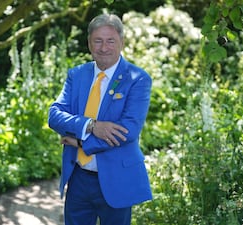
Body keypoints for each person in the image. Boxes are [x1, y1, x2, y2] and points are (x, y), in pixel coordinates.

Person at [48, 13, 153, 225]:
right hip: (78, 179)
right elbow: (55, 115)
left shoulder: (138, 78)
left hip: (117, 180)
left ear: (121, 43)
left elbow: (127, 131)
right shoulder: (76, 75)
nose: (104, 47)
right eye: (98, 41)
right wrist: (91, 126)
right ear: (89, 43)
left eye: (110, 41)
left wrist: (80, 142)